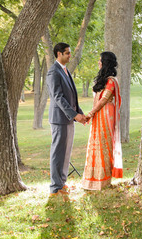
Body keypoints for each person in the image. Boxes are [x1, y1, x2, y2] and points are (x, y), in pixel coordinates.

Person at [47, 42, 87, 195]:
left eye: (70, 53)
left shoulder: (65, 71)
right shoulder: (54, 72)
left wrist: (79, 114)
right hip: (59, 119)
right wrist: (74, 115)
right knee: (58, 153)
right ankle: (55, 187)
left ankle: (62, 183)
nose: (70, 55)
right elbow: (58, 97)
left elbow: (71, 98)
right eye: (67, 53)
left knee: (66, 153)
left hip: (69, 119)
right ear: (59, 54)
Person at [81, 51, 123, 190]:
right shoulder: (103, 80)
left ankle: (103, 180)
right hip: (98, 114)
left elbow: (104, 100)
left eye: (100, 60)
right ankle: (92, 179)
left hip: (105, 114)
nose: (98, 62)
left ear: (106, 63)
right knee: (96, 144)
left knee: (104, 144)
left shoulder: (111, 81)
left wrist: (91, 113)